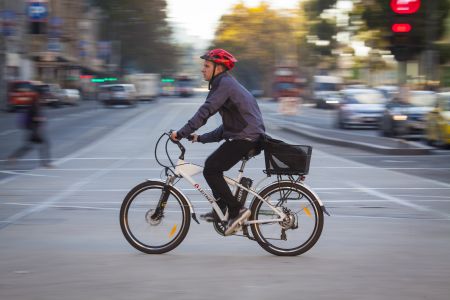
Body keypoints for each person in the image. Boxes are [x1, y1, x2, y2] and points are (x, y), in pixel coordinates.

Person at [170, 48, 266, 235]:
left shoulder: (225, 85)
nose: (202, 69)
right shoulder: (225, 84)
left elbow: (205, 112)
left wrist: (181, 133)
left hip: (247, 137)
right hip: (246, 135)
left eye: (206, 66)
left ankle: (237, 210)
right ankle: (222, 209)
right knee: (212, 167)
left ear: (219, 68)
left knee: (212, 168)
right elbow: (228, 127)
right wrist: (200, 138)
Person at [8, 85, 52, 168]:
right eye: (43, 94)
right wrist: (42, 119)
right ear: (39, 94)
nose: (44, 96)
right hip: (34, 129)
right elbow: (35, 117)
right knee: (44, 144)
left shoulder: (34, 101)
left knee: (29, 146)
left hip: (32, 128)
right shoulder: (35, 103)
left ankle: (13, 157)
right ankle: (46, 163)